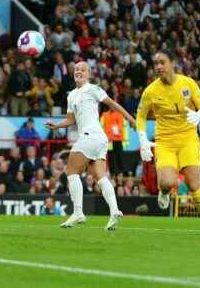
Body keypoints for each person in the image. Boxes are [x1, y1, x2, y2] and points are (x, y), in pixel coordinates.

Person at [136, 50, 200, 237]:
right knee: (167, 182)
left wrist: (199, 114)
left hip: (188, 139)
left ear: (172, 63)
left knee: (193, 184)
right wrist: (142, 140)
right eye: (155, 64)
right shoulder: (150, 91)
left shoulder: (188, 83)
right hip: (165, 142)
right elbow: (140, 116)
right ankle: (163, 191)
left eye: (162, 62)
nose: (158, 67)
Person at [46, 61, 136, 231]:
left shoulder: (93, 89)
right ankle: (114, 211)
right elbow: (71, 120)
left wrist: (130, 118)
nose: (78, 71)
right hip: (99, 140)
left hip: (90, 136)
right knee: (100, 176)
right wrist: (57, 126)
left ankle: (78, 212)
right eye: (76, 69)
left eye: (82, 69)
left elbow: (112, 104)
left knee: (71, 171)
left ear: (88, 74)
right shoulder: (71, 95)